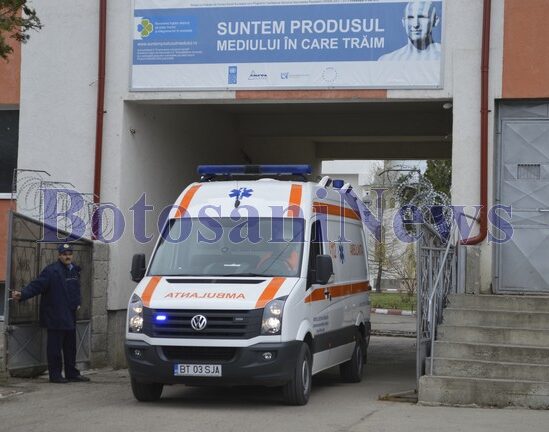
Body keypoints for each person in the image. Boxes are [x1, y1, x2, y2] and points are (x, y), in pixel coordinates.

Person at [11, 243, 90, 383]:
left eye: (69, 254)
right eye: (64, 254)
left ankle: (72, 373)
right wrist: (22, 294)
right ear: (59, 255)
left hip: (70, 315)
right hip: (56, 315)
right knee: (55, 348)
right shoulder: (52, 271)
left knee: (70, 347)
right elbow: (37, 285)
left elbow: (75, 290)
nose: (67, 257)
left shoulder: (73, 270)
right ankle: (55, 375)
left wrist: (77, 303)